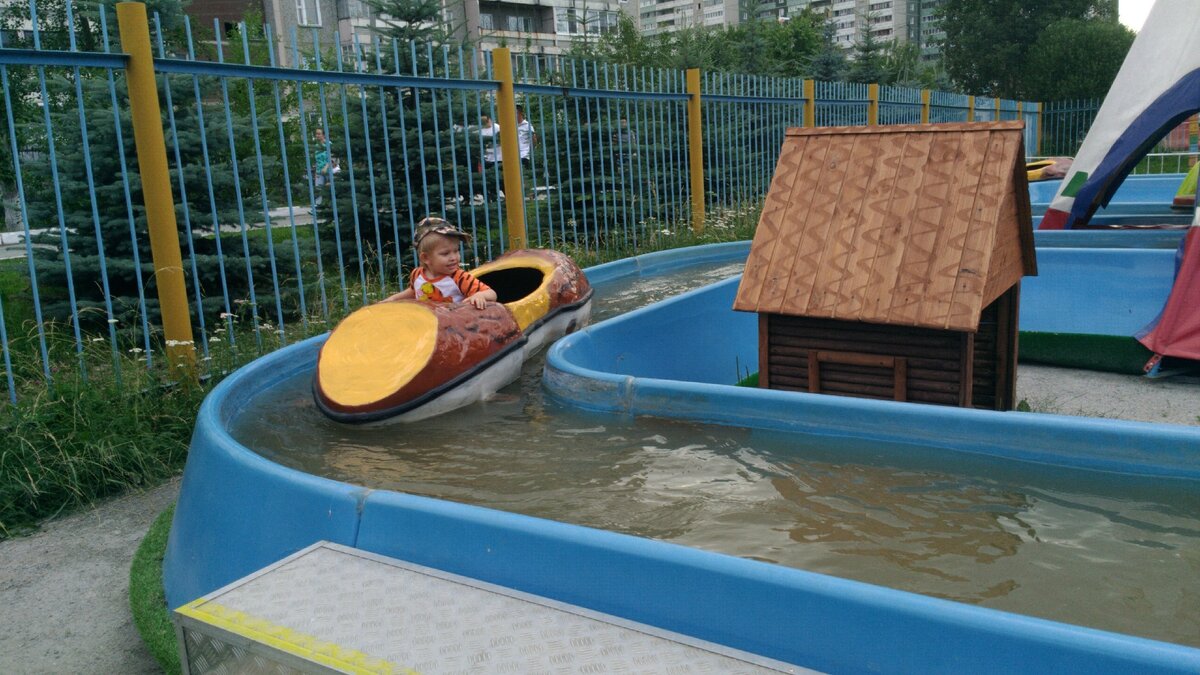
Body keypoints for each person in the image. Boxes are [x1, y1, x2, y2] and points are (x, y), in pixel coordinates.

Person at [384, 217, 496, 309]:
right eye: (445, 253)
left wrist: (479, 295)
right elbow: (413, 292)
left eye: (456, 251)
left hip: (454, 327)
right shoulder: (417, 274)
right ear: (426, 258)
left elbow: (491, 293)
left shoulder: (460, 278)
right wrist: (393, 299)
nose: (454, 257)